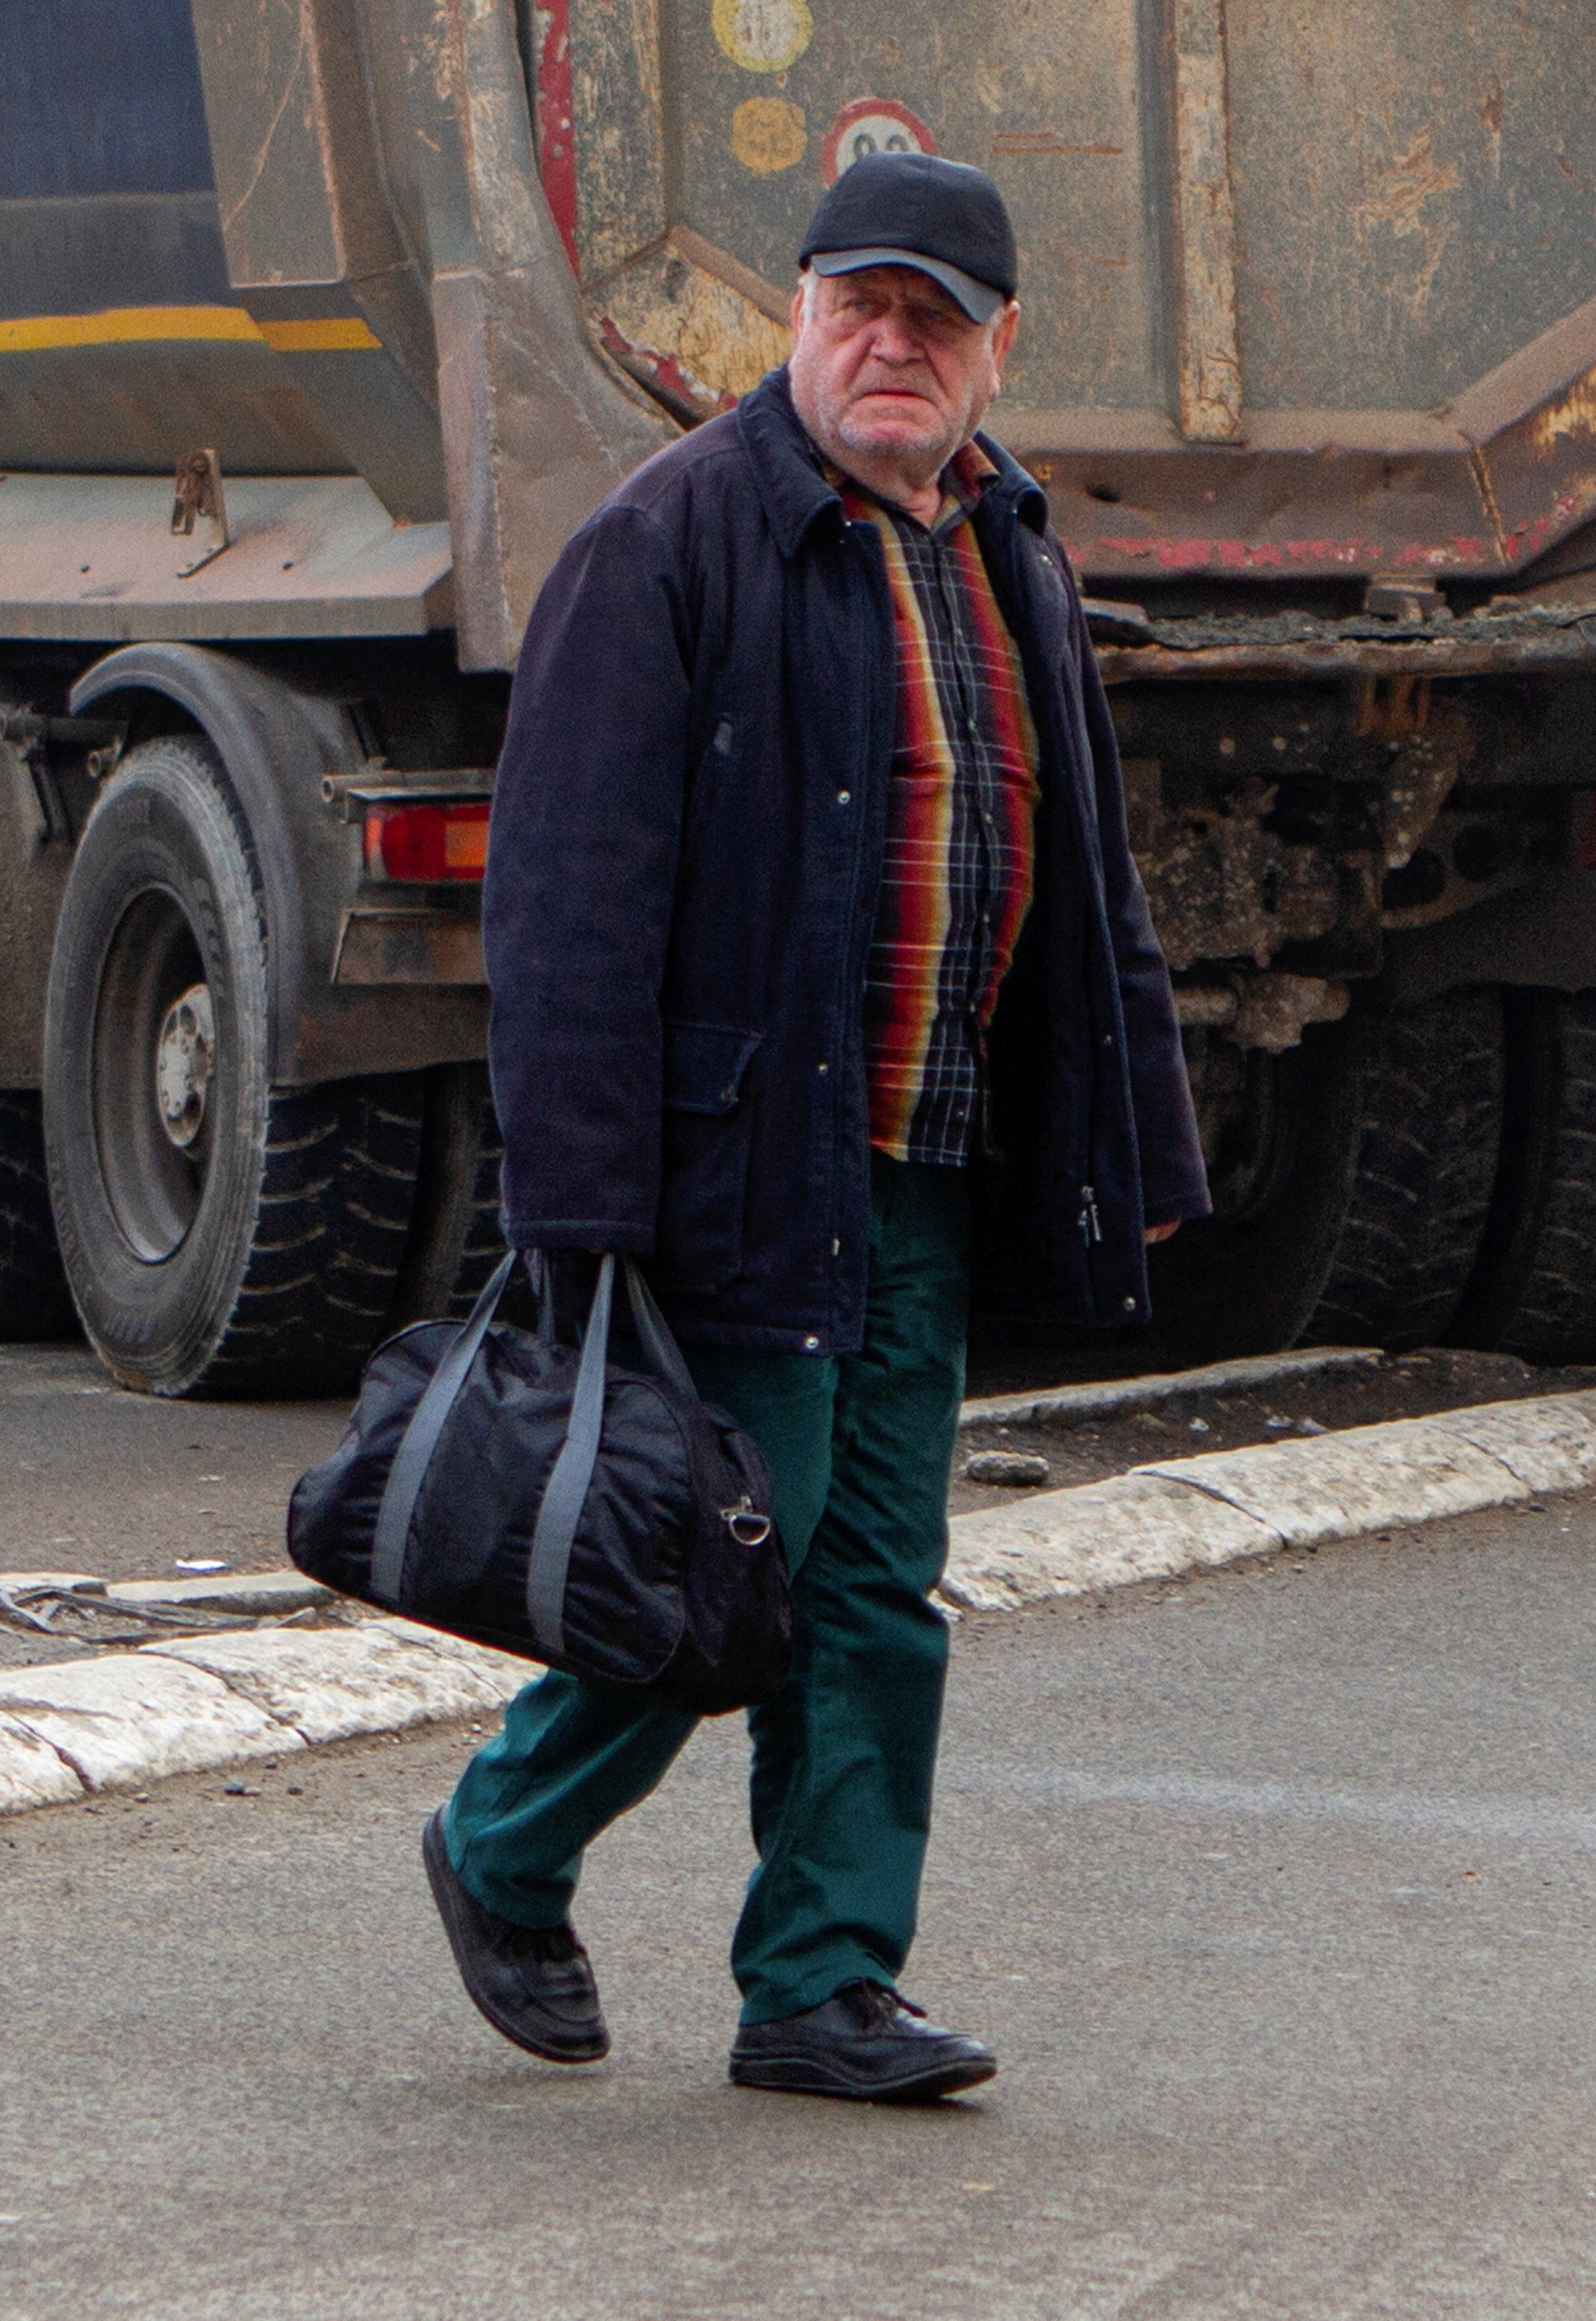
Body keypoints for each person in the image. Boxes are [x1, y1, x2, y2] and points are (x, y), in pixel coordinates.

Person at [420, 149, 1203, 2103]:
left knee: (874, 1583)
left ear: (1001, 349)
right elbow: (568, 907)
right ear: (793, 315)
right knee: (710, 1581)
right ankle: (502, 1841)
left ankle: (824, 1979)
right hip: (733, 1172)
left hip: (927, 1162)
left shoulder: (1012, 549)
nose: (891, 344)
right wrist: (578, 1201)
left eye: (934, 318)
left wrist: (1145, 1149)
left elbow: (1087, 884)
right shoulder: (672, 540)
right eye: (858, 304)